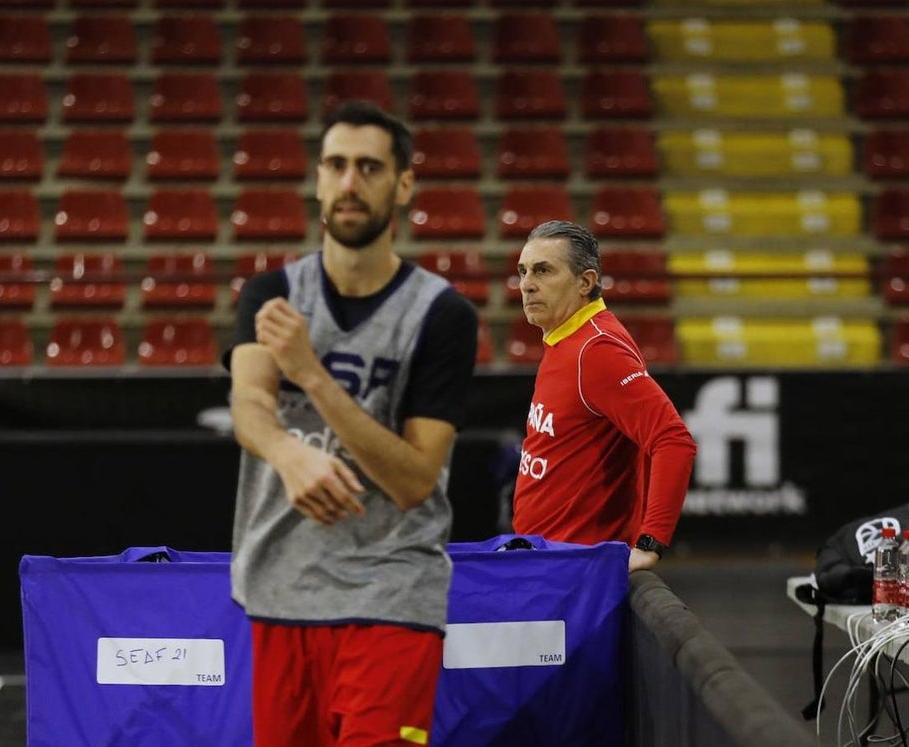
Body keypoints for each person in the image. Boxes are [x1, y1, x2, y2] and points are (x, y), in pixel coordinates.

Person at [224, 100, 478, 746]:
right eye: (336, 165)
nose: (349, 183)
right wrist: (287, 452)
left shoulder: (443, 315)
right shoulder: (270, 293)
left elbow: (416, 478)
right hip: (281, 591)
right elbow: (250, 405)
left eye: (369, 167)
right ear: (316, 178)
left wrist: (312, 375)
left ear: (403, 184)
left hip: (392, 592)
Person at [510, 220, 697, 573]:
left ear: (586, 282)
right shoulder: (566, 338)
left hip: (576, 570)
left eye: (543, 271)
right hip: (548, 560)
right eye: (522, 272)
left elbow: (673, 440)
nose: (526, 285)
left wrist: (650, 542)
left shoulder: (596, 350)